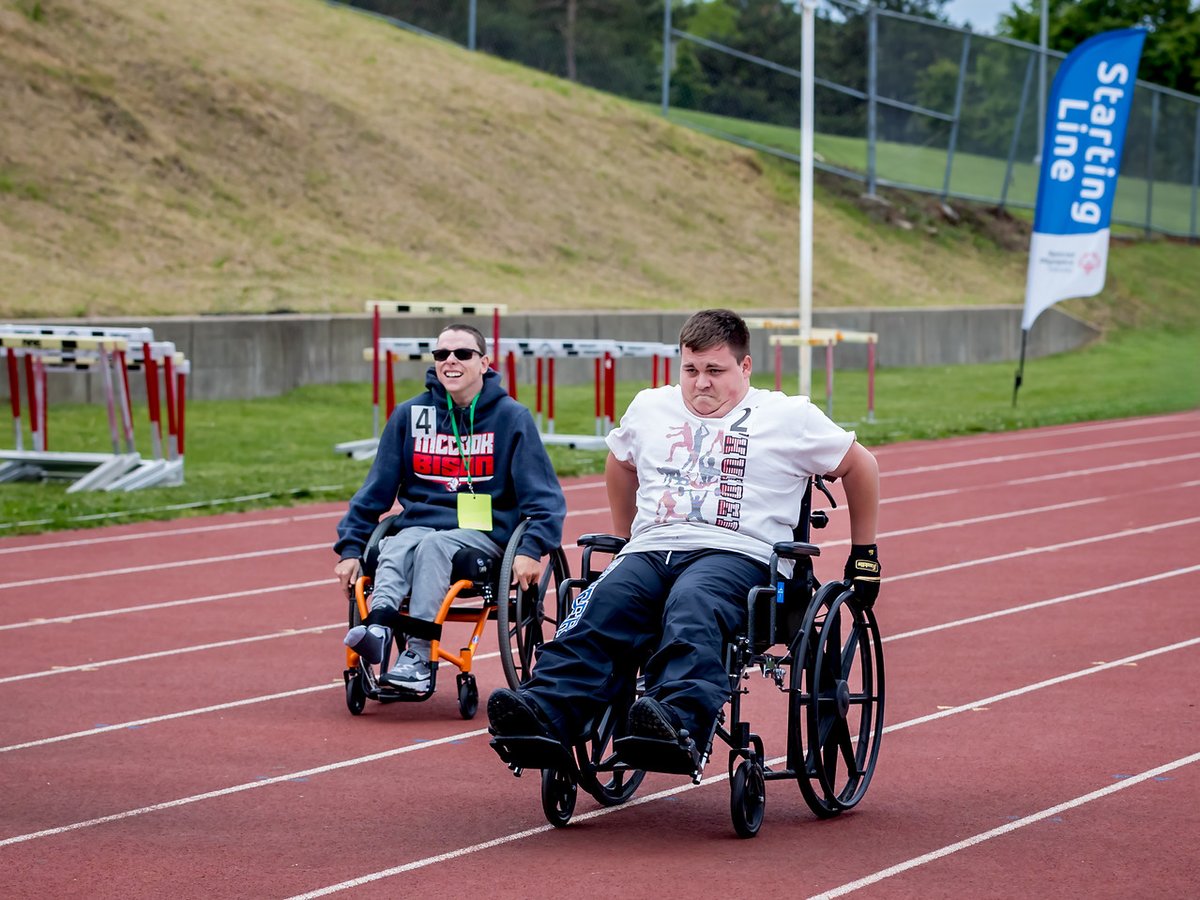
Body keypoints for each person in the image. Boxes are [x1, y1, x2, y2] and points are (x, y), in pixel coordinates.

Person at [487, 308, 880, 765]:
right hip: (654, 546)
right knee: (600, 602)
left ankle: (676, 720)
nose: (700, 383)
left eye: (715, 370)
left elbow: (860, 465)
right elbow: (621, 459)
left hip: (740, 552)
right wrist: (623, 537)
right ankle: (544, 710)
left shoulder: (789, 416)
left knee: (693, 602)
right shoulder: (652, 406)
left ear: (745, 367)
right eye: (690, 370)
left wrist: (865, 553)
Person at [334, 324, 566, 693]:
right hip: (421, 525)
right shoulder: (410, 414)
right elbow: (374, 490)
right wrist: (350, 548)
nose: (450, 361)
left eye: (462, 354)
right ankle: (378, 627)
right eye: (442, 354)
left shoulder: (511, 418)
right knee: (396, 544)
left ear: (484, 362)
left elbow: (545, 499)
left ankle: (419, 658)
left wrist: (531, 548)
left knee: (432, 547)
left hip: (484, 534)